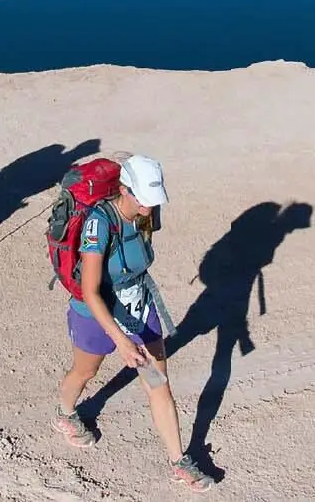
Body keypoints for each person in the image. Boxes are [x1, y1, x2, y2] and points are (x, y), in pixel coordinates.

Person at [55, 154, 214, 493]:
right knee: (85, 372)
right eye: (144, 200)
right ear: (124, 190)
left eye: (154, 201)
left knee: (158, 383)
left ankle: (179, 461)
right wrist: (122, 341)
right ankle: (66, 413)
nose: (149, 208)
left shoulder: (146, 213)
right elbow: (90, 292)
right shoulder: (99, 224)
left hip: (139, 306)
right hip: (96, 312)